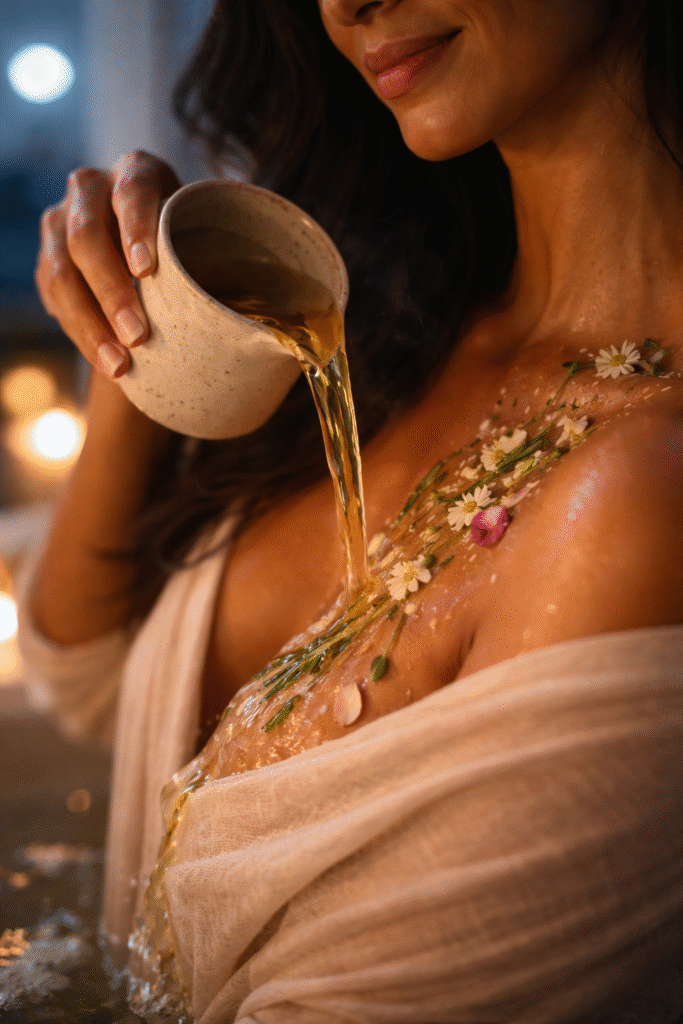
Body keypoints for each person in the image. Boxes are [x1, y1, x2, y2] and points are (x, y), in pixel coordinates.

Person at [19, 0, 683, 1020]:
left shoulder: (641, 493)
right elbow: (85, 675)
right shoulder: (361, 325)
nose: (346, 3)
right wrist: (138, 326)